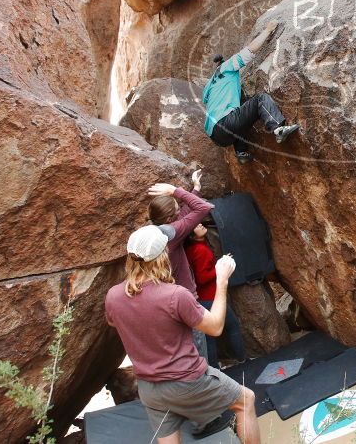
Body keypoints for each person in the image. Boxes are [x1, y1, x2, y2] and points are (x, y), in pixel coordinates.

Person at [105, 225, 260, 444]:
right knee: (246, 400)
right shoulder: (176, 295)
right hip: (185, 380)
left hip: (149, 387)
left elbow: (114, 321)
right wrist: (222, 280)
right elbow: (215, 327)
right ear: (162, 256)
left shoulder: (113, 296)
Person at [202, 20, 299, 164]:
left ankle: (241, 152)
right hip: (226, 122)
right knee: (259, 99)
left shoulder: (209, 86)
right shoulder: (227, 67)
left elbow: (208, 102)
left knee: (242, 111)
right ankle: (278, 128)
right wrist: (267, 30)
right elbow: (250, 50)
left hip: (216, 136)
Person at [147, 169, 212, 361]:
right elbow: (202, 208)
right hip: (184, 298)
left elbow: (185, 214)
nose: (180, 209)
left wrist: (196, 188)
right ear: (170, 220)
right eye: (176, 208)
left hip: (162, 301)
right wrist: (175, 190)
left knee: (181, 348)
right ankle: (205, 381)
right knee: (198, 347)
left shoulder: (153, 232)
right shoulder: (172, 235)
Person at [186, 223, 247, 368]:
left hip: (201, 298)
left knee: (209, 338)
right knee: (233, 327)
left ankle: (214, 369)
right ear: (191, 235)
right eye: (195, 226)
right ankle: (243, 360)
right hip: (211, 298)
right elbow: (202, 277)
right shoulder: (200, 250)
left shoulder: (190, 249)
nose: (200, 224)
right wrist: (221, 267)